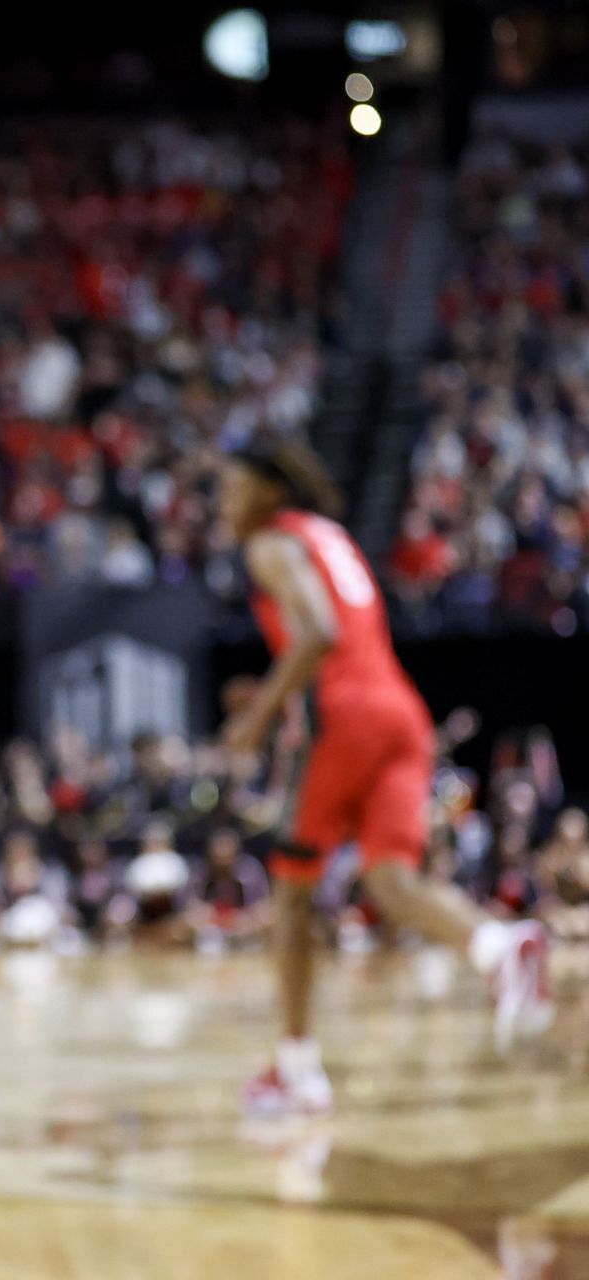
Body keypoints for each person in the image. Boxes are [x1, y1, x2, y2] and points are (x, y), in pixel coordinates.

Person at [216, 435, 551, 1118]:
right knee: (391, 879)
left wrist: (257, 719)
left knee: (292, 896)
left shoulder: (272, 544)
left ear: (269, 491)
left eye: (232, 488)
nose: (223, 503)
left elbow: (315, 633)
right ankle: (498, 946)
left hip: (342, 719)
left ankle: (297, 1069)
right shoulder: (329, 535)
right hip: (401, 712)